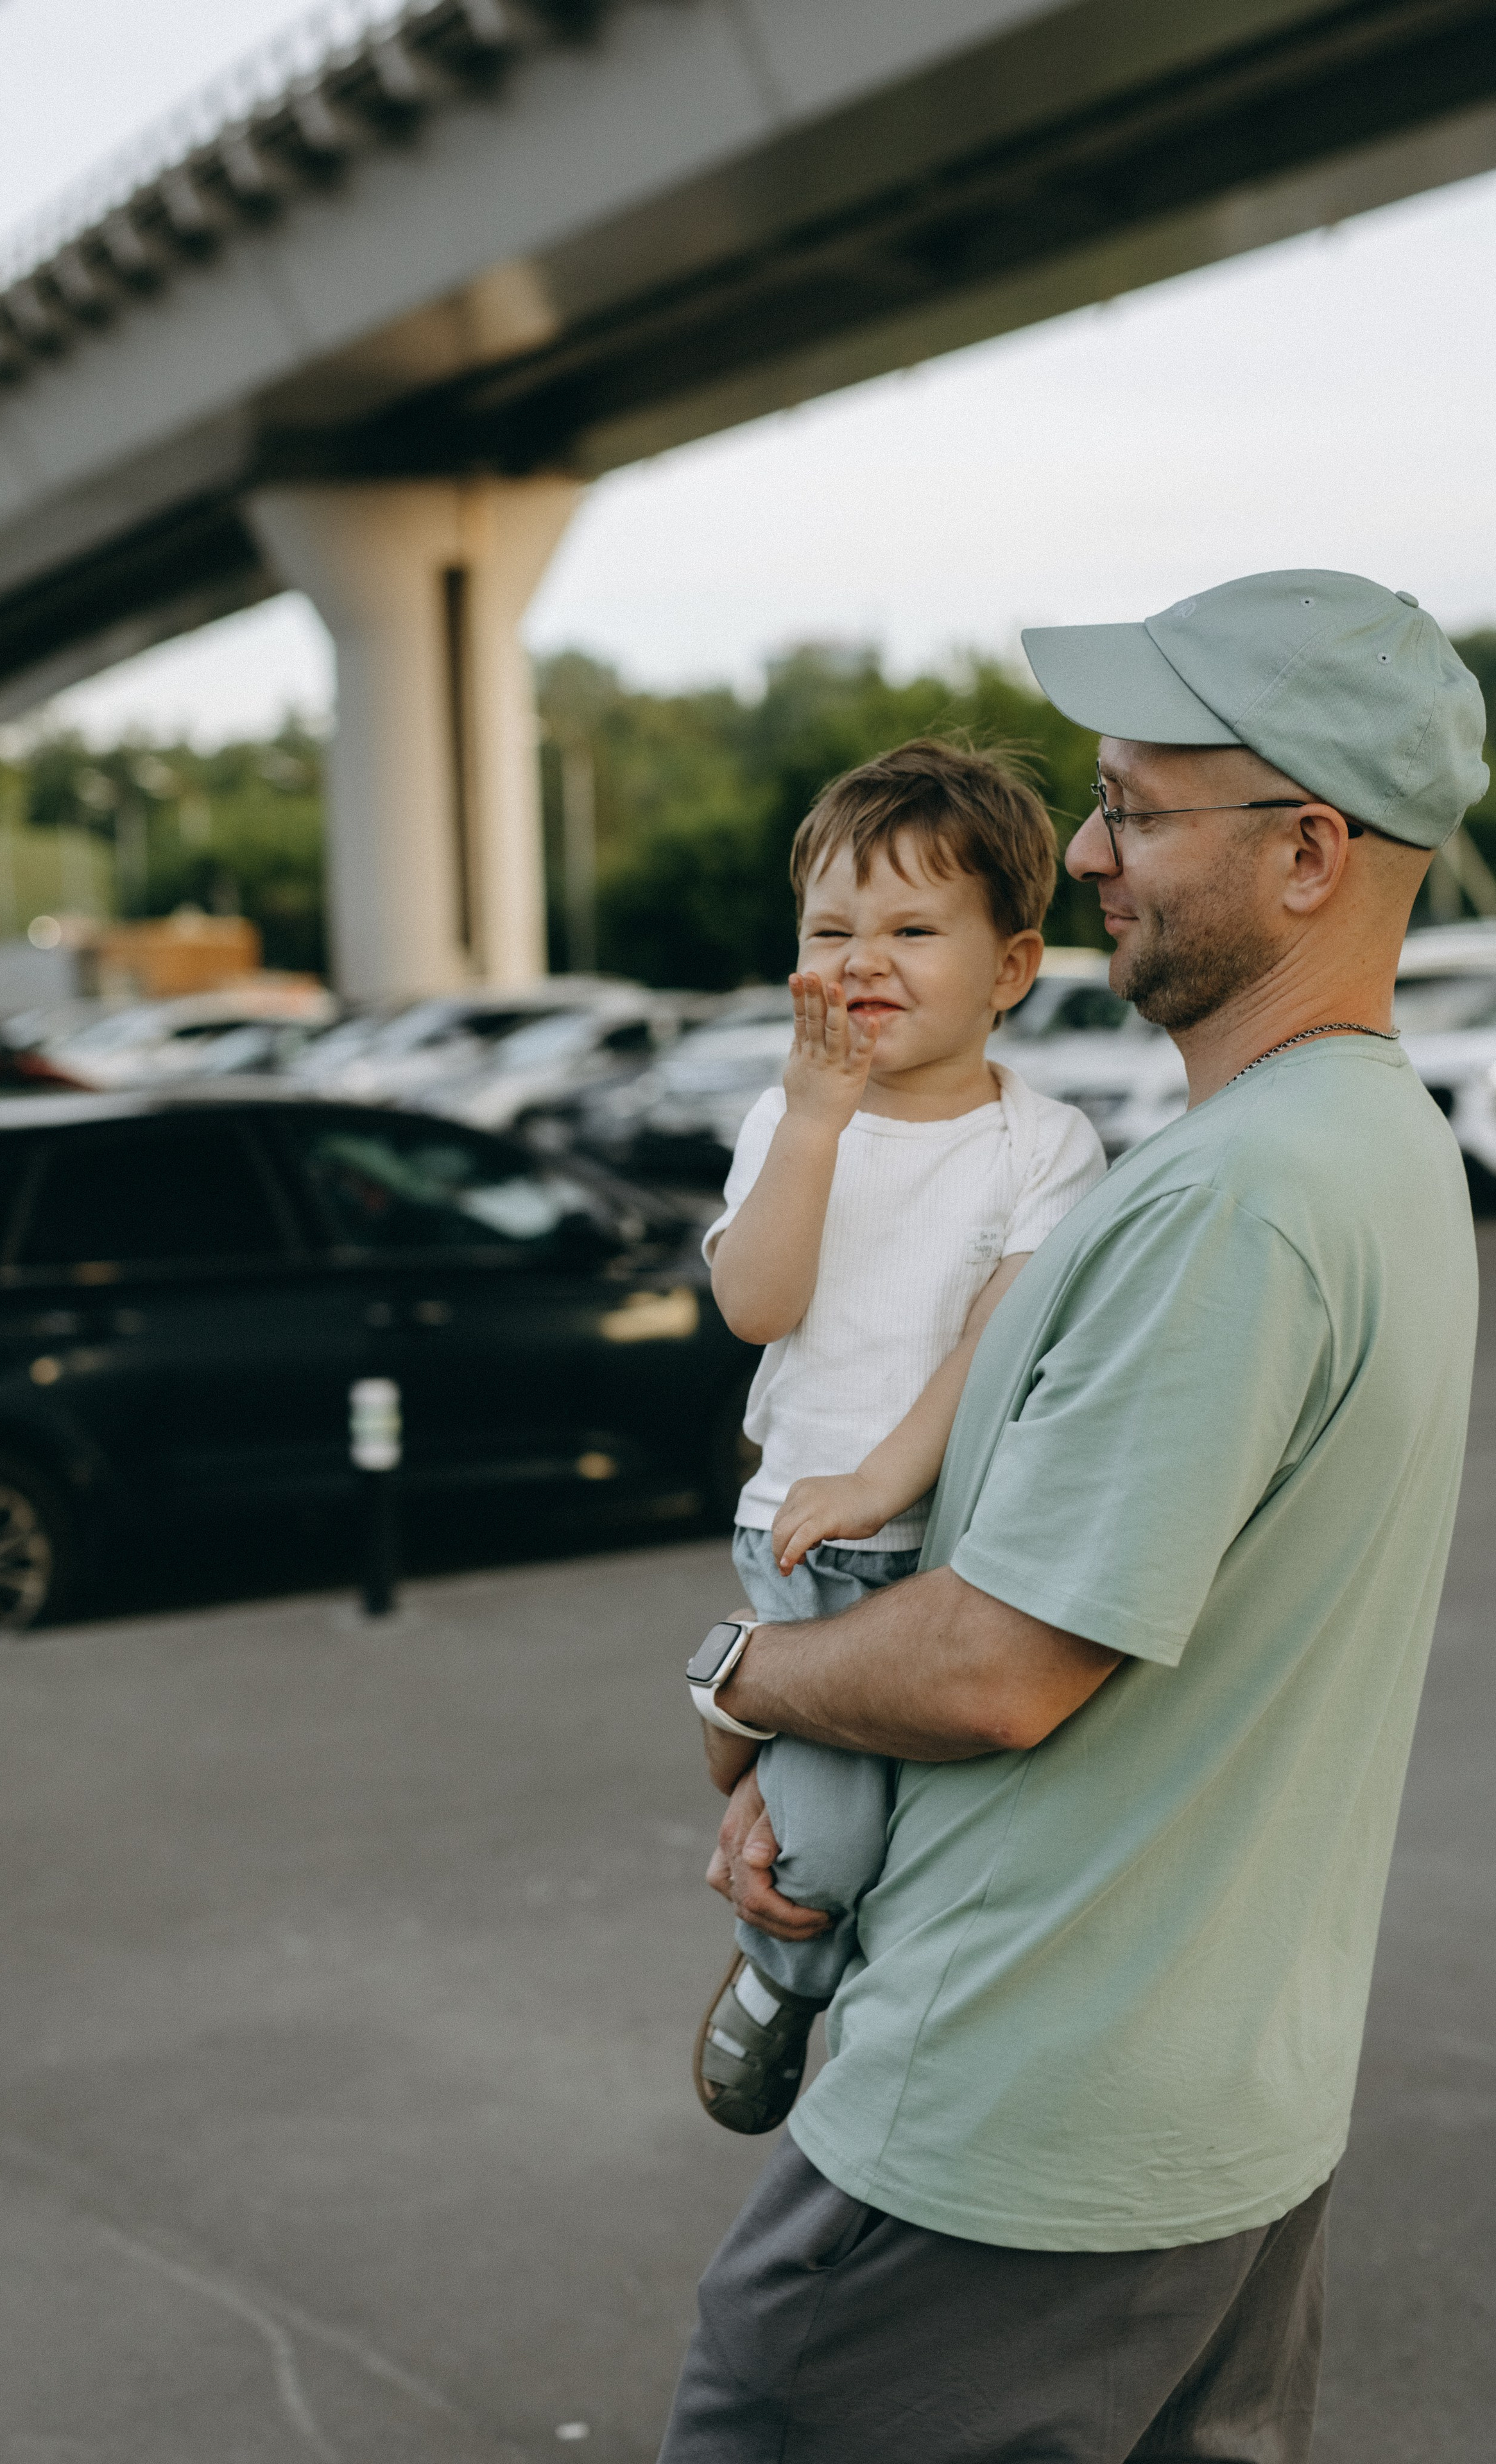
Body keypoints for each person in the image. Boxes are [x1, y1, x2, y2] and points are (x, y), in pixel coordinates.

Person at [664, 570, 1486, 2464]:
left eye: (1135, 805)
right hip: (1216, 2123)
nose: (1092, 851)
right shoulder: (1377, 1151)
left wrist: (748, 1682)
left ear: (1306, 856)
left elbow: (1001, 1664)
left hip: (1011, 2141)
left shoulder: (1230, 1204)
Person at [694, 739, 1105, 2134]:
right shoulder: (786, 1115)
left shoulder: (1042, 1146)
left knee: (943, 1850)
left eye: (912, 928)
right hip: (802, 1546)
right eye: (830, 929)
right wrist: (813, 1122)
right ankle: (774, 1987)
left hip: (948, 1557)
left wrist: (887, 1477)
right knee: (831, 1845)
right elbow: (756, 1306)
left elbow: (996, 1338)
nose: (864, 958)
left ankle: (731, 1726)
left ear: (1009, 967)